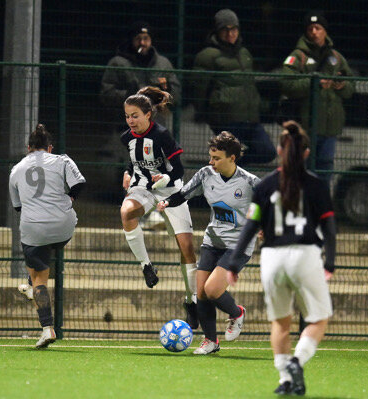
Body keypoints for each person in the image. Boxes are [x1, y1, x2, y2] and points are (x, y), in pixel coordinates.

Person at [225, 121, 336, 395]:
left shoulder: (264, 185)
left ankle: (285, 380)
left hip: (272, 258)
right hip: (305, 254)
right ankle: (298, 361)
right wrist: (330, 263)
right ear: (306, 153)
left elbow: (251, 225)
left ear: (278, 150)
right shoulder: (316, 185)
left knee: (280, 323)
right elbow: (330, 229)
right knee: (319, 319)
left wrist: (233, 264)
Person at [157, 131, 260, 354]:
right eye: (210, 156)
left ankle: (237, 313)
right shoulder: (205, 175)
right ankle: (211, 342)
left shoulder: (249, 182)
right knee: (201, 292)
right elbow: (184, 193)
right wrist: (166, 202)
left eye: (216, 158)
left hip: (238, 245)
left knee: (213, 290)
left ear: (232, 158)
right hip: (212, 241)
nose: (211, 162)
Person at [120, 86, 198, 328]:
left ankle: (192, 301)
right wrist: (127, 171)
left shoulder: (162, 135)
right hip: (143, 188)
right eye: (127, 116)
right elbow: (134, 161)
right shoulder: (127, 138)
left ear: (147, 115)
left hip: (171, 189)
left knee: (186, 248)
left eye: (135, 115)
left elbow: (179, 170)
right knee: (126, 212)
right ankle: (146, 266)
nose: (130, 120)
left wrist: (164, 179)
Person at [9, 124, 86, 349]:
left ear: (28, 148)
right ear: (49, 148)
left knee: (40, 278)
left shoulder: (16, 170)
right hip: (64, 227)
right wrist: (69, 199)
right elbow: (79, 184)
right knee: (44, 255)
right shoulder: (63, 160)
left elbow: (17, 207)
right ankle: (31, 286)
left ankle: (47, 328)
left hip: (35, 229)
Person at [100, 21, 180, 225]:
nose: (143, 42)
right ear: (132, 40)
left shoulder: (162, 63)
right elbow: (106, 94)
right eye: (139, 38)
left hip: (157, 126)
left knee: (155, 170)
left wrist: (161, 96)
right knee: (137, 168)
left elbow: (176, 93)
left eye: (146, 38)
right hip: (128, 127)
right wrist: (131, 97)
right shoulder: (118, 62)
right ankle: (140, 213)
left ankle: (149, 212)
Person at [280, 10, 355, 186]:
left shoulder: (336, 57)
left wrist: (342, 85)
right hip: (305, 128)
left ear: (325, 31)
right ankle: (302, 209)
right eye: (311, 28)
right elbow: (287, 84)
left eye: (318, 28)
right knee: (303, 171)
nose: (314, 32)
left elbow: (351, 87)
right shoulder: (298, 57)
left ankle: (320, 208)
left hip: (330, 129)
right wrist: (314, 84)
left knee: (325, 170)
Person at [192, 8, 276, 166]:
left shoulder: (244, 53)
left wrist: (258, 103)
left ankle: (235, 165)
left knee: (267, 151)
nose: (230, 34)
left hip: (250, 118)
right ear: (217, 31)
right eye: (225, 30)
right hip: (226, 118)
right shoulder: (208, 55)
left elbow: (249, 83)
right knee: (230, 158)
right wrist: (204, 112)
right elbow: (199, 88)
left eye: (234, 29)